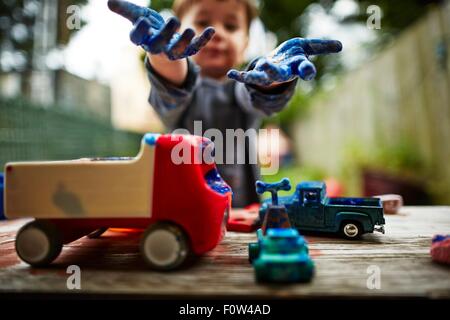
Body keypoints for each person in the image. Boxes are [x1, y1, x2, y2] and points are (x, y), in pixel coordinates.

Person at [108, 0, 342, 207]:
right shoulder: (182, 88)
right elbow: (173, 86)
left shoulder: (240, 86)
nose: (218, 32)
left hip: (241, 214)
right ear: (178, 33)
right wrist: (164, 56)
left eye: (231, 26)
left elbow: (257, 94)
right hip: (185, 210)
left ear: (246, 43)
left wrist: (271, 80)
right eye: (202, 21)